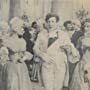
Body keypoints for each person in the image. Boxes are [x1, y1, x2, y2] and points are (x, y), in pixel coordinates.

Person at [33, 13, 80, 90]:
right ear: (46, 22)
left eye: (53, 21)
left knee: (57, 87)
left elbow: (70, 48)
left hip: (60, 64)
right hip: (46, 63)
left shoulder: (63, 34)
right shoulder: (41, 34)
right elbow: (35, 48)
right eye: (48, 21)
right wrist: (43, 56)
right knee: (48, 87)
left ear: (57, 22)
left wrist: (68, 48)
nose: (50, 24)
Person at [2, 17, 33, 90]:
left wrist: (24, 58)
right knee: (12, 85)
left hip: (21, 67)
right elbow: (10, 51)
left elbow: (25, 53)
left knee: (22, 86)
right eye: (21, 28)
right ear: (15, 28)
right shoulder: (8, 41)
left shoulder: (22, 41)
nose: (23, 30)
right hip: (11, 67)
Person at [69, 18, 90, 90]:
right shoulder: (81, 38)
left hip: (88, 63)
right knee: (79, 83)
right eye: (85, 26)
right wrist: (71, 47)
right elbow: (77, 51)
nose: (86, 28)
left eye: (88, 26)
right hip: (82, 63)